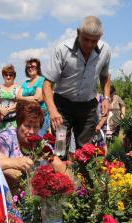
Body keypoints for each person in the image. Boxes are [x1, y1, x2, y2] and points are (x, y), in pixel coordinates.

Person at [43, 15, 111, 156]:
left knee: (86, 153)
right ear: (78, 32)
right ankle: (59, 177)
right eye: (85, 39)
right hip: (62, 107)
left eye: (94, 41)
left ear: (100, 37)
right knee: (59, 150)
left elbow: (105, 76)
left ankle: (84, 177)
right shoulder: (62, 50)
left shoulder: (105, 51)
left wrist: (106, 98)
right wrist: (53, 111)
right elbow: (47, 84)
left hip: (87, 108)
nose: (89, 44)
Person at [0, 101, 66, 191]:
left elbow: (58, 164)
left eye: (35, 127)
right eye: (27, 126)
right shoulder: (5, 140)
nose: (31, 131)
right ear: (18, 123)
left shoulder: (40, 145)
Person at [17, 58, 49, 136]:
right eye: (28, 67)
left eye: (33, 66)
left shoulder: (42, 80)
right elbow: (17, 97)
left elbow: (38, 99)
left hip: (40, 116)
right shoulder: (25, 82)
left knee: (39, 139)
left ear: (38, 68)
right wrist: (30, 98)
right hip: (27, 116)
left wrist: (23, 99)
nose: (30, 68)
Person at [0, 64, 20, 134]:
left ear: (14, 76)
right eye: (6, 74)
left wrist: (7, 111)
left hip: (13, 123)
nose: (8, 77)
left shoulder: (19, 88)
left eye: (10, 75)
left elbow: (19, 103)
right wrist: (1, 110)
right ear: (3, 75)